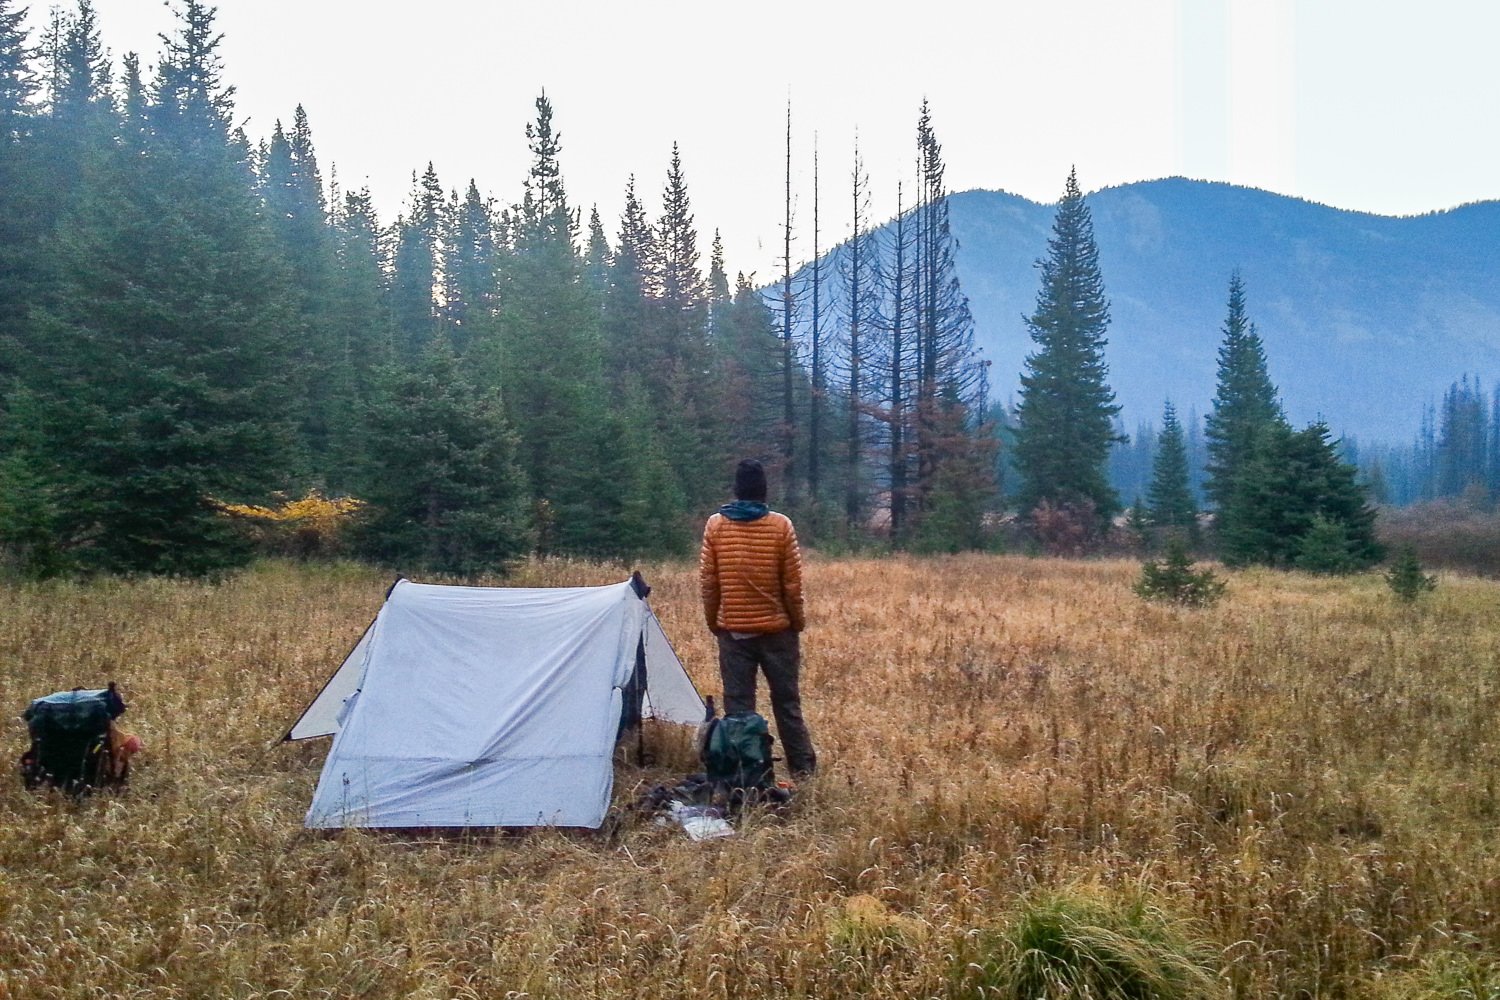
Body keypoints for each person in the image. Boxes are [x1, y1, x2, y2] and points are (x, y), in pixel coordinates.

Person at [699, 459, 816, 778]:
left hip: (733, 633)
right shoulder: (781, 526)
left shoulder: (716, 525)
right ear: (764, 489)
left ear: (736, 490)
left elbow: (709, 583)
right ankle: (803, 772)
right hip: (778, 632)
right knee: (788, 705)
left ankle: (749, 778)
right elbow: (793, 585)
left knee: (739, 711)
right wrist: (797, 621)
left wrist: (715, 621)